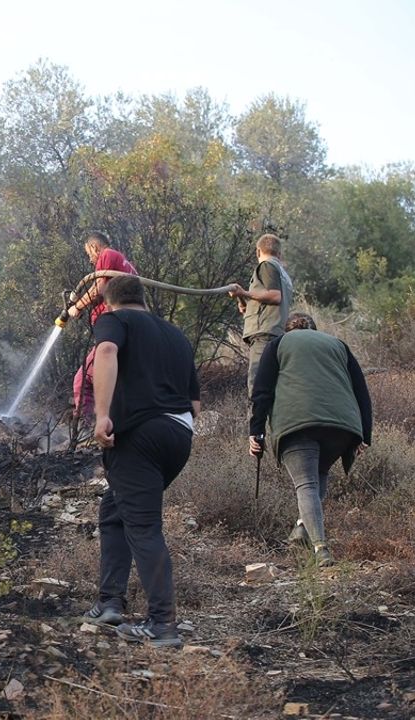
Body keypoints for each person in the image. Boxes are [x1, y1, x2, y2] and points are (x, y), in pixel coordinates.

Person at [78, 275, 200, 648]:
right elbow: (195, 403)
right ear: (143, 298)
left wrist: (102, 416)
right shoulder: (176, 336)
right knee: (115, 510)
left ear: (110, 302)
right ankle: (109, 602)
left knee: (144, 527)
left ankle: (162, 624)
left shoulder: (113, 320)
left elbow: (107, 353)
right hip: (178, 436)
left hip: (140, 438)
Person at [249, 313, 372, 567]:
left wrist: (256, 432)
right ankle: (301, 528)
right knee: (319, 475)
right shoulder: (339, 345)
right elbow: (362, 391)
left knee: (305, 484)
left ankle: (321, 549)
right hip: (341, 427)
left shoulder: (277, 345)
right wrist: (364, 434)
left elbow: (262, 391)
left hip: (297, 423)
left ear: (287, 330)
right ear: (315, 330)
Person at [65, 231, 137, 419]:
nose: (90, 260)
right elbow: (101, 288)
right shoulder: (124, 264)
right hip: (132, 330)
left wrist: (76, 308)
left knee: (83, 380)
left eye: (89, 254)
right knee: (118, 382)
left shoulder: (107, 255)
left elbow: (99, 289)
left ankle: (85, 431)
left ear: (94, 247)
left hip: (115, 330)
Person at [229, 233, 293, 397]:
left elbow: (274, 296)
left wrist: (244, 292)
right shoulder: (283, 273)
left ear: (258, 252)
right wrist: (243, 299)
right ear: (279, 253)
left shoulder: (267, 266)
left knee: (257, 384)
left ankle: (257, 421)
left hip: (264, 333)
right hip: (276, 332)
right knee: (273, 385)